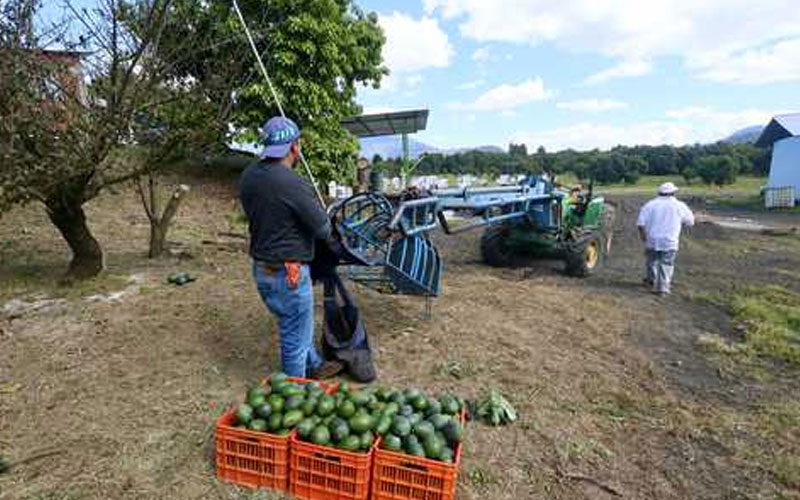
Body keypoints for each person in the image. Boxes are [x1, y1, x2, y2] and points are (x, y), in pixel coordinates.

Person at [239, 116, 341, 378]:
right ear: (295, 146)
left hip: (262, 269)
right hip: (289, 273)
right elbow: (322, 229)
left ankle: (316, 365)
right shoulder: (292, 183)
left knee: (295, 325)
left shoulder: (249, 176)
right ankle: (295, 391)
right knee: (294, 336)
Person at [636, 182, 695, 295]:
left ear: (659, 193)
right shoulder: (680, 205)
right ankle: (663, 288)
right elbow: (690, 222)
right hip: (670, 240)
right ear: (673, 193)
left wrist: (643, 237)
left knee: (651, 261)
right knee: (666, 263)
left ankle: (651, 280)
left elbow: (640, 223)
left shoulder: (650, 205)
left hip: (652, 239)